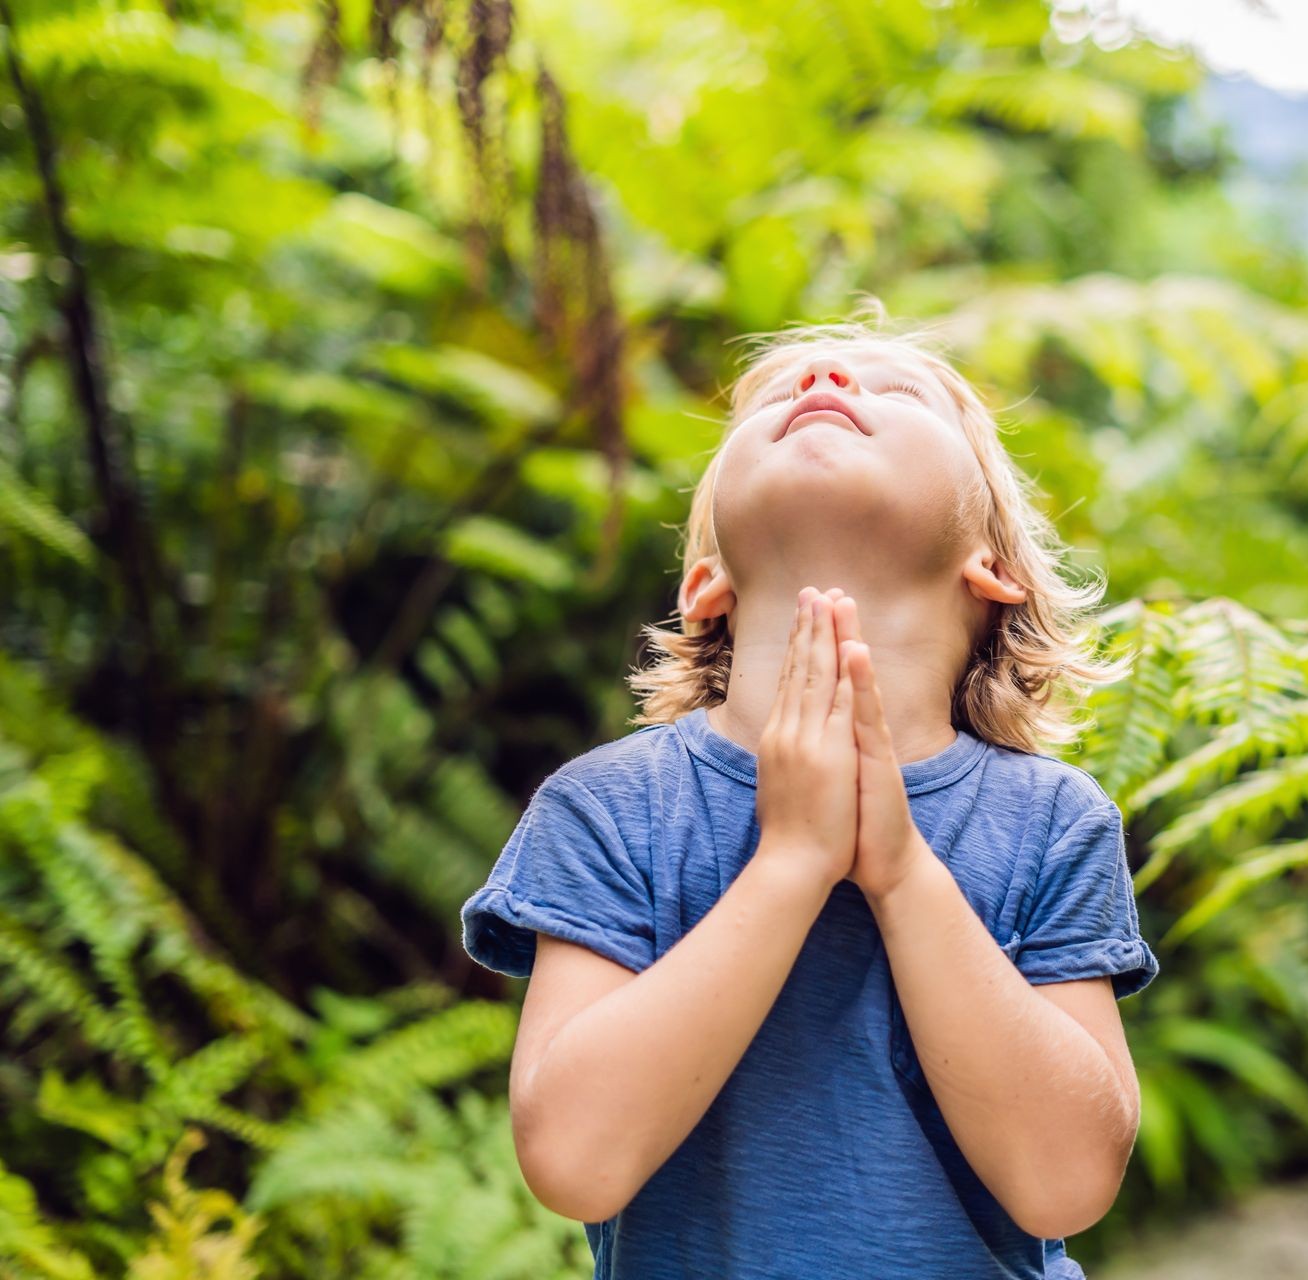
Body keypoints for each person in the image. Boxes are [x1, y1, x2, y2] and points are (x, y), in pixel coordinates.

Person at [459, 306, 1160, 1279]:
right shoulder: (606, 808)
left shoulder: (1052, 822)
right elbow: (577, 1161)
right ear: (705, 580)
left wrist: (905, 873)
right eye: (779, 397)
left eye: (896, 390)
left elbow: (1067, 1181)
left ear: (991, 568)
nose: (825, 378)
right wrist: (790, 861)